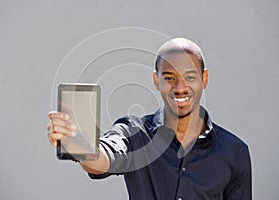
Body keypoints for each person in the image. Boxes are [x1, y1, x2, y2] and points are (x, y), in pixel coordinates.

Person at [47, 38, 252, 200]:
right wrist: (80, 146)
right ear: (156, 80)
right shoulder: (135, 134)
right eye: (170, 78)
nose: (180, 88)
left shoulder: (235, 152)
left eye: (190, 77)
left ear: (204, 78)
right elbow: (104, 159)